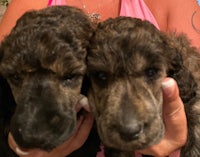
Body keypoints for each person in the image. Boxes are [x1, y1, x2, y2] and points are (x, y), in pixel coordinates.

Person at [0, 0, 199, 156]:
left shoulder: (173, 2)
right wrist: (15, 150)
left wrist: (188, 139)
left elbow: (194, 88)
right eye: (101, 76)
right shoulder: (29, 3)